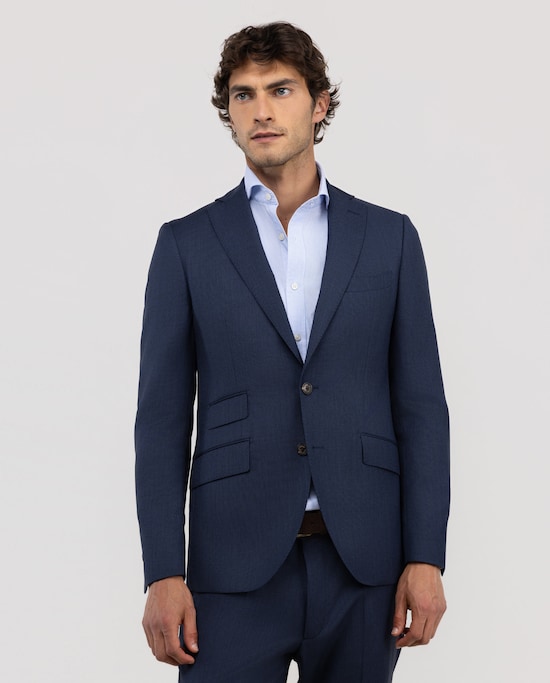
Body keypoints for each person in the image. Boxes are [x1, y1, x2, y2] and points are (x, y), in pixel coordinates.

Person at [135, 21, 450, 683]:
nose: (262, 110)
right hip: (231, 567)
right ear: (229, 112)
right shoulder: (187, 245)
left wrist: (426, 556)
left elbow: (422, 408)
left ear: (319, 104)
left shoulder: (389, 239)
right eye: (243, 95)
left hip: (364, 563)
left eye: (280, 90)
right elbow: (161, 420)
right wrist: (163, 570)